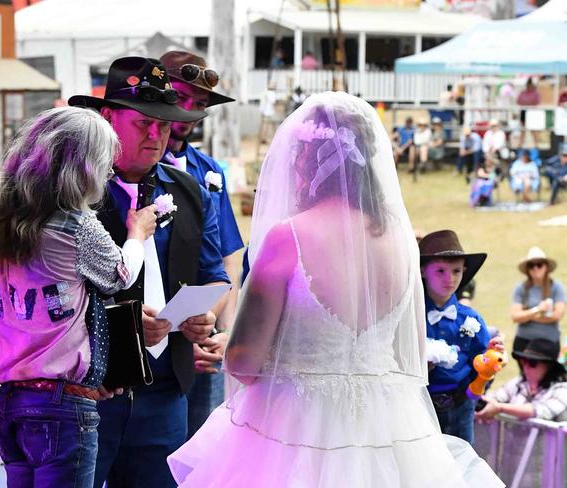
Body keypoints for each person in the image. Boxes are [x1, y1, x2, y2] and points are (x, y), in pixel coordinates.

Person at [168, 93, 503, 487]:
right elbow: (403, 350)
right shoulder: (401, 243)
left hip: (294, 427)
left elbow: (243, 362)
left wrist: (252, 348)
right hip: (388, 426)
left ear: (309, 161)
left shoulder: (288, 237)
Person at [0, 106, 159, 487]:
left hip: (11, 401)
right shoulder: (77, 225)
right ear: (84, 167)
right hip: (61, 405)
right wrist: (137, 234)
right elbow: (119, 276)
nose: (109, 173)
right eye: (105, 163)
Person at [68, 56, 230, 488]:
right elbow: (48, 288)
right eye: (144, 122)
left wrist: (203, 315)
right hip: (90, 390)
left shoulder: (189, 191)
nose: (157, 134)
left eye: (165, 121)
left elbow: (213, 273)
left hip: (164, 391)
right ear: (107, 118)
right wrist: (111, 324)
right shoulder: (72, 193)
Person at [159, 50, 244, 437]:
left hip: (202, 333)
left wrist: (220, 333)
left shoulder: (210, 172)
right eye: (182, 98)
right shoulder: (131, 168)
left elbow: (229, 260)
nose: (191, 112)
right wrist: (175, 336)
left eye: (201, 104)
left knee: (199, 452)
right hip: (150, 334)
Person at [419, 230, 499, 444]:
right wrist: (417, 368)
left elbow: (481, 358)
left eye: (456, 271)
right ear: (423, 271)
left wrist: (488, 366)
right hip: (420, 407)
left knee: (462, 464)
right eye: (441, 271)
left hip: (461, 405)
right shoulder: (411, 318)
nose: (450, 279)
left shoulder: (470, 319)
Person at [476, 338, 567, 423]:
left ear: (549, 367)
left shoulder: (562, 390)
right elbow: (496, 397)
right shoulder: (519, 382)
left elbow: (540, 411)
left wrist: (500, 408)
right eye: (523, 361)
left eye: (532, 363)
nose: (525, 366)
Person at [510, 247, 566, 356]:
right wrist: (538, 309)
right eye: (531, 265)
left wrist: (527, 316)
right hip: (524, 342)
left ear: (546, 267)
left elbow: (557, 315)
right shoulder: (520, 288)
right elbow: (515, 316)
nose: (535, 268)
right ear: (527, 269)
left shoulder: (557, 287)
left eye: (539, 264)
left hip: (549, 344)